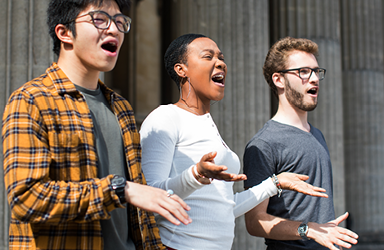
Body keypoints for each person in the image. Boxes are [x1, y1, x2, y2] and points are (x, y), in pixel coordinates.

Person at [1, 1, 191, 249]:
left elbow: (139, 213)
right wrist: (118, 190)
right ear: (64, 32)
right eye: (100, 19)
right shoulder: (31, 100)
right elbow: (28, 199)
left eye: (120, 21)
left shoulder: (121, 108)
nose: (114, 29)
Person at [140, 33, 329, 250]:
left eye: (221, 57)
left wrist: (274, 184)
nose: (220, 63)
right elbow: (149, 198)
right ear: (181, 69)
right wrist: (195, 175)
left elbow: (224, 208)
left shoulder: (209, 125)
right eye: (208, 57)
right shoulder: (165, 117)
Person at [242, 36, 359, 250]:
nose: (314, 78)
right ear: (279, 79)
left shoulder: (317, 135)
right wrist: (309, 229)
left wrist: (323, 230)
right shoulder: (263, 144)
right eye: (304, 72)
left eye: (316, 71)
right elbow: (254, 222)